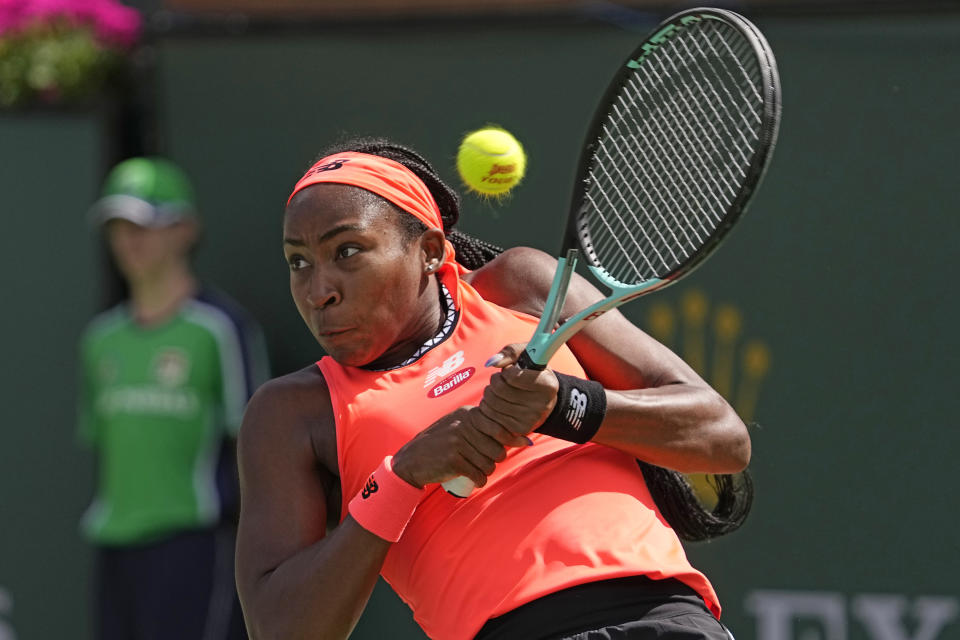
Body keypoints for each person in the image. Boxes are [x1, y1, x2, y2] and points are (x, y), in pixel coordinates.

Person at [235, 138, 753, 640]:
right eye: (298, 262)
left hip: (665, 616)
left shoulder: (522, 287)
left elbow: (724, 437)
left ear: (430, 251)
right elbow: (281, 628)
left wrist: (565, 406)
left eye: (347, 251)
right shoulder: (293, 412)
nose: (318, 290)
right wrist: (402, 477)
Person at [77, 156, 270, 640]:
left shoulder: (220, 329)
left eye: (145, 223)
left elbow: (257, 447)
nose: (130, 240)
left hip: (193, 547)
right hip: (115, 547)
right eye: (118, 226)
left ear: (185, 228)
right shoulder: (100, 339)